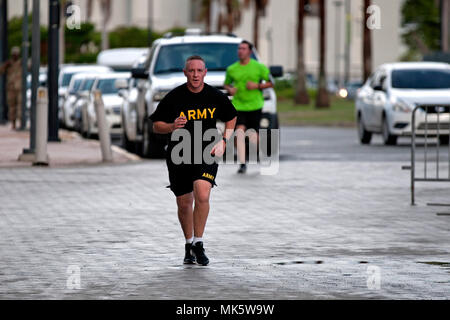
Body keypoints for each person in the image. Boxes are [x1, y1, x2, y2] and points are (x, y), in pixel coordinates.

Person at [150, 55, 237, 266]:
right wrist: (171, 126)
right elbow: (156, 125)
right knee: (184, 202)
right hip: (179, 153)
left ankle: (199, 243)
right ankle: (188, 244)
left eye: (199, 71)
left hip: (206, 150)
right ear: (185, 73)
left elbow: (231, 117)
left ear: (205, 73)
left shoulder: (214, 95)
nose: (195, 75)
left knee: (202, 192)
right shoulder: (174, 96)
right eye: (192, 71)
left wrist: (224, 141)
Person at [224, 40, 274, 174]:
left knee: (253, 135)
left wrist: (257, 86)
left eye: (244, 49)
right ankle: (242, 163)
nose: (240, 51)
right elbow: (226, 84)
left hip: (255, 105)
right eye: (239, 49)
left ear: (250, 52)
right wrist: (230, 89)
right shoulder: (231, 69)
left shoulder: (259, 67)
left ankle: (256, 151)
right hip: (238, 105)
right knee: (239, 132)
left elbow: (271, 83)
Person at [0, 47, 23, 130]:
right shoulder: (9, 63)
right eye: (14, 54)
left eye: (16, 54)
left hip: (20, 88)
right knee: (12, 107)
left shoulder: (21, 63)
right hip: (11, 88)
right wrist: (5, 65)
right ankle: (13, 123)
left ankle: (21, 123)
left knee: (20, 106)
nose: (15, 56)